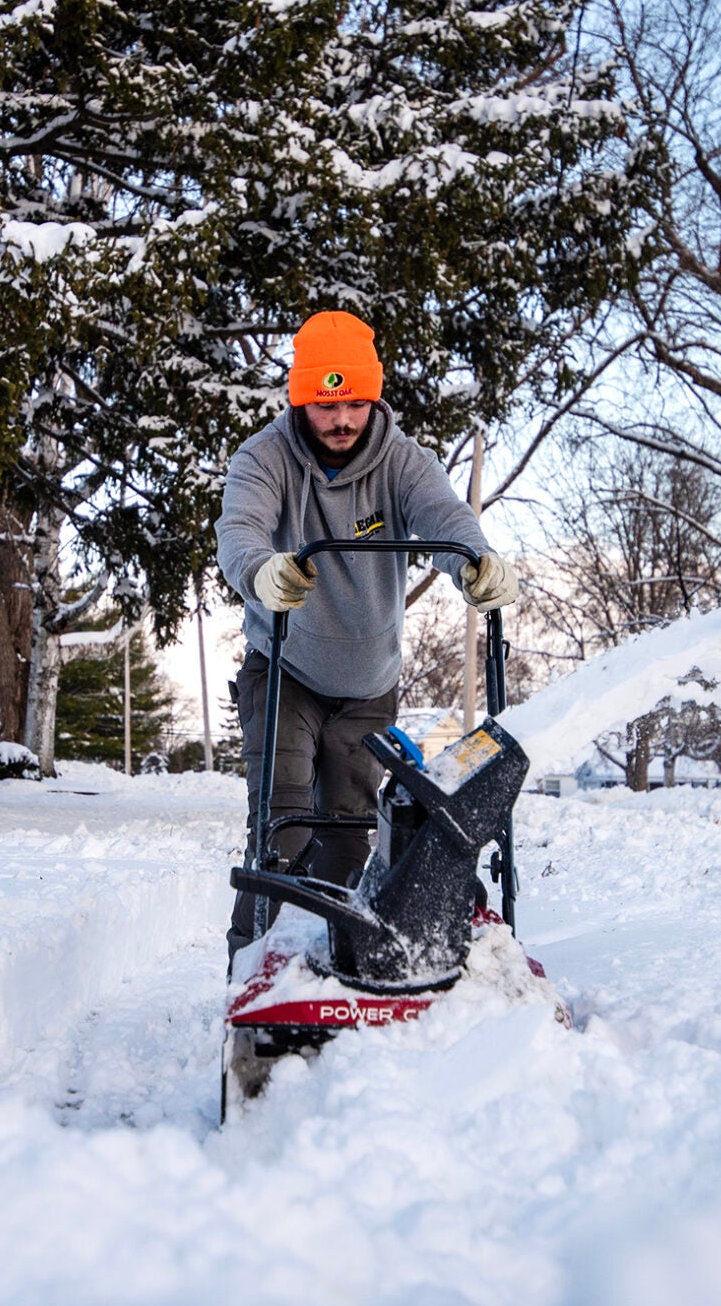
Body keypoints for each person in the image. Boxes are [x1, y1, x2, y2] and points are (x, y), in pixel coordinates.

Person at [216, 310, 518, 960]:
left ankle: (339, 964)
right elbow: (239, 532)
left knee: (350, 837)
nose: (342, 419)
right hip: (285, 668)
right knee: (281, 827)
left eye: (354, 403)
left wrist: (475, 562)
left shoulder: (403, 462)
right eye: (326, 406)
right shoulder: (265, 457)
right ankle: (252, 969)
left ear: (373, 399)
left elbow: (445, 515)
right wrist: (262, 571)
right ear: (301, 400)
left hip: (368, 682)